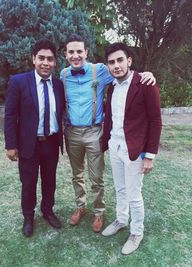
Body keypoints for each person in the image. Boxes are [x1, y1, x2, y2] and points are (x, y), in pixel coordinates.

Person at [60, 34, 156, 233]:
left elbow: (128, 75)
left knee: (97, 176)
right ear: (66, 54)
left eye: (80, 51)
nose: (76, 55)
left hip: (95, 132)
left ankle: (99, 211)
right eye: (71, 52)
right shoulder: (62, 75)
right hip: (72, 133)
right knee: (76, 174)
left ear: (86, 52)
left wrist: (149, 74)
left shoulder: (101, 71)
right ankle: (80, 206)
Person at [101, 42, 162, 254]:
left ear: (129, 61)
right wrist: (105, 143)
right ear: (107, 66)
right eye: (111, 62)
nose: (116, 65)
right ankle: (121, 220)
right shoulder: (111, 86)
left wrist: (150, 155)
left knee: (134, 194)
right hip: (115, 146)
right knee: (120, 188)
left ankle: (137, 232)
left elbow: (155, 120)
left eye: (120, 60)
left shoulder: (145, 84)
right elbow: (110, 117)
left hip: (135, 149)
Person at [4, 39, 65, 237]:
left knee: (50, 181)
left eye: (50, 59)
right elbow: (10, 115)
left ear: (55, 62)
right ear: (33, 59)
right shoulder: (18, 82)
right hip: (29, 144)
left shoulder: (58, 84)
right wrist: (11, 145)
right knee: (28, 182)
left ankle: (47, 210)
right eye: (41, 58)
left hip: (51, 142)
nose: (45, 63)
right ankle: (28, 216)